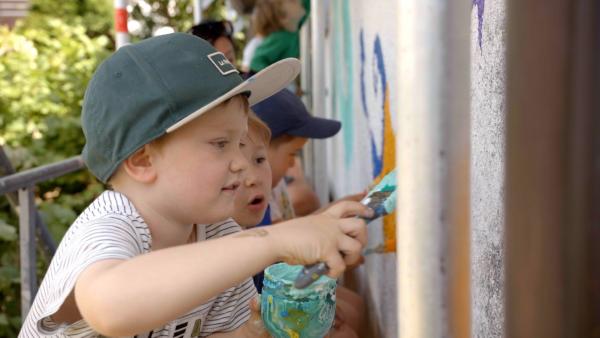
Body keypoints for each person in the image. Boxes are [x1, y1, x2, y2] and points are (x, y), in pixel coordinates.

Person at [19, 33, 372, 337]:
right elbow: (109, 305)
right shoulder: (111, 227)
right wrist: (274, 240)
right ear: (143, 161)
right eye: (221, 144)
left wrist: (255, 330)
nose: (240, 162)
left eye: (241, 143)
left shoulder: (218, 232)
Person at [252, 89, 366, 336]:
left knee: (353, 307)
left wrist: (333, 214)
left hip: (280, 292)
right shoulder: (251, 201)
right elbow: (284, 252)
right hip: (271, 299)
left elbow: (292, 233)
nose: (294, 164)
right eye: (292, 154)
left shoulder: (273, 187)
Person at [249, 0, 310, 74]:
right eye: (292, 1)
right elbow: (256, 61)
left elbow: (308, 5)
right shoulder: (279, 38)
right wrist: (274, 79)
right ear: (283, 17)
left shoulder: (295, 29)